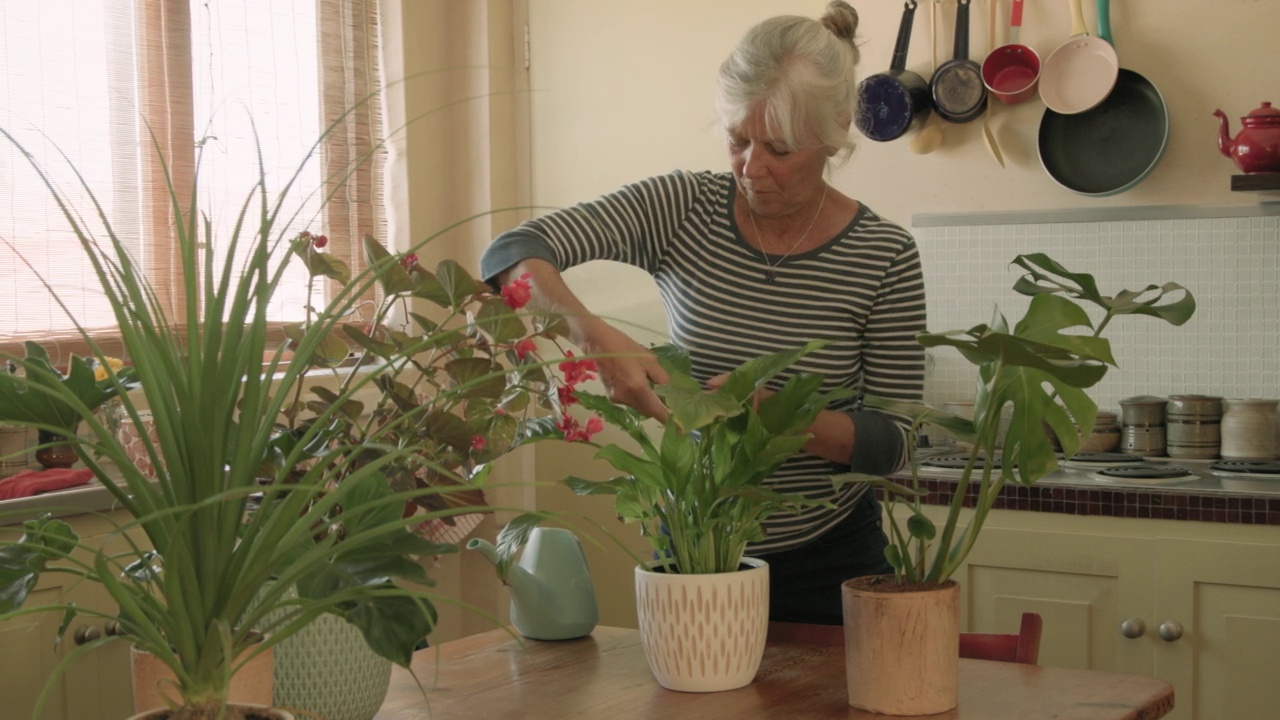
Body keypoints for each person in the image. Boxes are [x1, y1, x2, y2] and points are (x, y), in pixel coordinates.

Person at [480, 1, 926, 625]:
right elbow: (510, 253)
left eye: (779, 148)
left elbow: (898, 444)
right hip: (694, 551)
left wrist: (777, 419)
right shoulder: (684, 206)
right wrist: (595, 336)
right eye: (738, 140)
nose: (751, 167)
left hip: (833, 566)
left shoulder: (885, 255)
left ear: (834, 133)